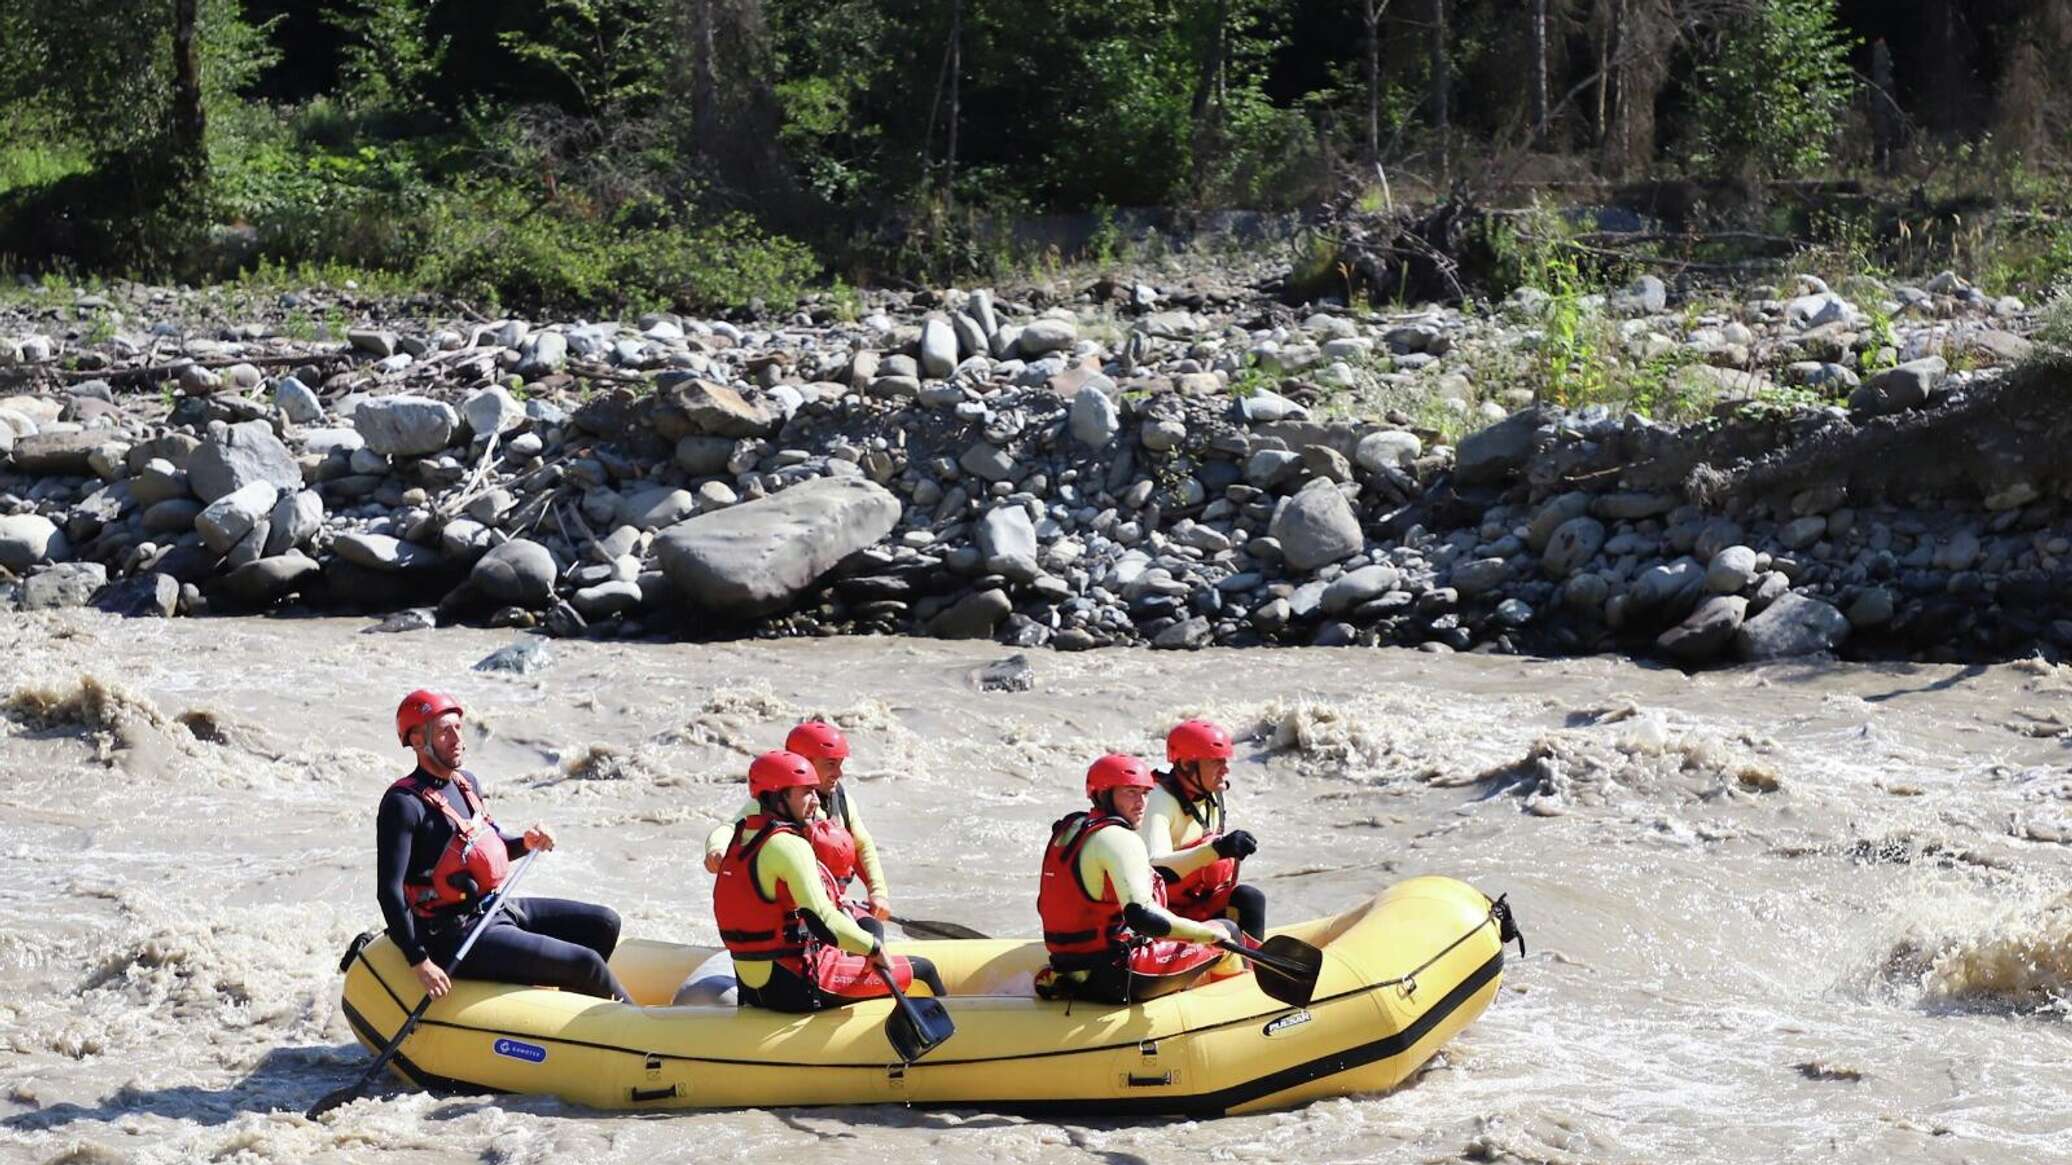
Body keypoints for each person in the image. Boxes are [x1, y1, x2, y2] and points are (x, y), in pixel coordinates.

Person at [376, 689, 631, 1003]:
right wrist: (420, 962)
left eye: (458, 727)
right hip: (453, 934)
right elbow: (389, 892)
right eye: (445, 731)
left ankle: (570, 1014)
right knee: (586, 963)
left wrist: (526, 843)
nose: (457, 738)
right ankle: (644, 1035)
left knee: (604, 924)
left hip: (495, 909)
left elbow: (486, 849)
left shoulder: (465, 782)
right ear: (417, 741)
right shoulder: (402, 805)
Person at [712, 749, 944, 1012]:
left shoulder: (739, 839)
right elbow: (823, 921)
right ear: (777, 797)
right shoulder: (788, 846)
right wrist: (872, 948)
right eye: (805, 793)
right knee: (922, 970)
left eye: (814, 791)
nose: (815, 801)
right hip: (798, 984)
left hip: (752, 985)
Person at [1035, 753, 1243, 1004]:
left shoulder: (1069, 828)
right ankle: (1235, 1006)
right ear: (1103, 793)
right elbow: (1143, 917)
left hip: (1068, 968)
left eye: (1145, 793)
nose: (1142, 803)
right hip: (1118, 976)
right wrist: (1205, 935)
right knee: (1227, 930)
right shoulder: (1120, 838)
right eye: (1131, 792)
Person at [703, 721, 892, 933]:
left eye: (840, 764)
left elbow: (861, 845)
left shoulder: (840, 799)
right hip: (788, 917)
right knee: (866, 933)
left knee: (872, 927)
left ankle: (866, 957)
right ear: (805, 763)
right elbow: (729, 829)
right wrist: (716, 850)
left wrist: (877, 893)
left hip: (826, 905)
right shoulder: (773, 804)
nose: (839, 774)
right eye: (831, 765)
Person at [1142, 719, 1266, 941]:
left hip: (1202, 905)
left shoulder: (1211, 793)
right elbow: (1156, 867)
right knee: (1228, 927)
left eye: (1225, 761)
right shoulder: (1158, 800)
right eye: (1216, 762)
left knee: (1250, 897)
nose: (1226, 769)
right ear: (1188, 765)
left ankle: (1254, 970)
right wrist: (1218, 849)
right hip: (1166, 918)